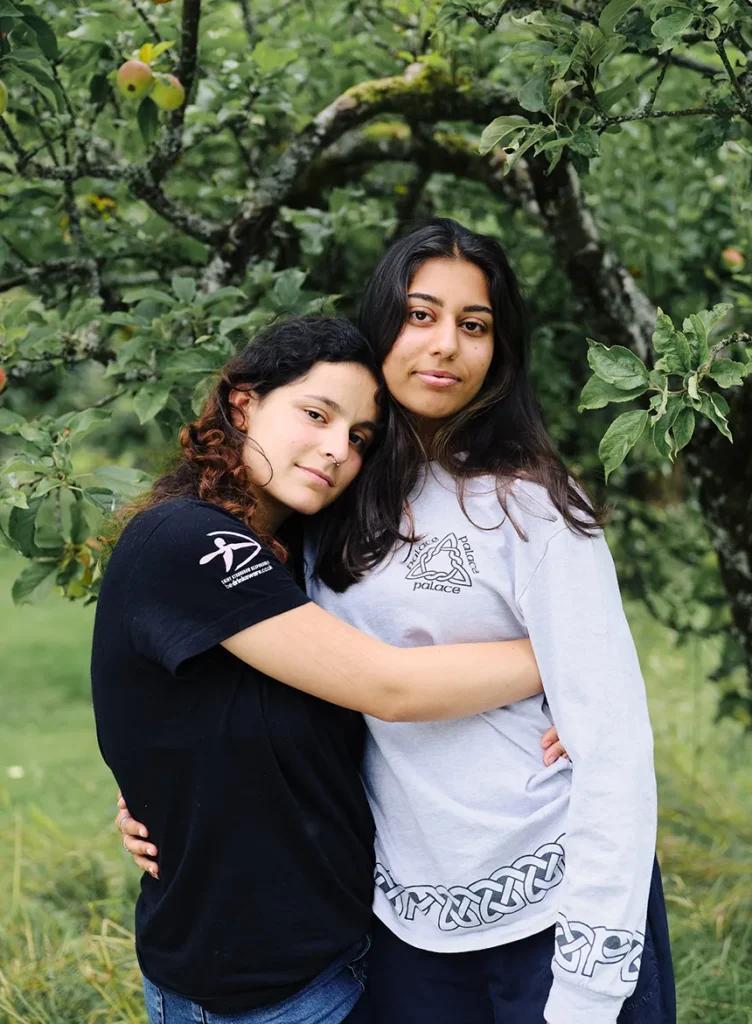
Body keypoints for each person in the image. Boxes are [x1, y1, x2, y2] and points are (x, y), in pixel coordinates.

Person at [118, 219, 676, 1024]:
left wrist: (590, 979)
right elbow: (250, 680)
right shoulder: (329, 499)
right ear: (381, 326)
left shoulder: (533, 506)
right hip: (398, 915)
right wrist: (159, 797)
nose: (444, 343)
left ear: (499, 350)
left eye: (473, 324)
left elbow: (613, 740)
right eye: (419, 315)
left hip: (551, 896)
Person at [92, 314, 551, 1024]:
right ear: (242, 403)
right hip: (259, 991)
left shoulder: (302, 560)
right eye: (316, 413)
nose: (337, 449)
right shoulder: (186, 537)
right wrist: (564, 658)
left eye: (360, 437)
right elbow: (388, 686)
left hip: (336, 956)